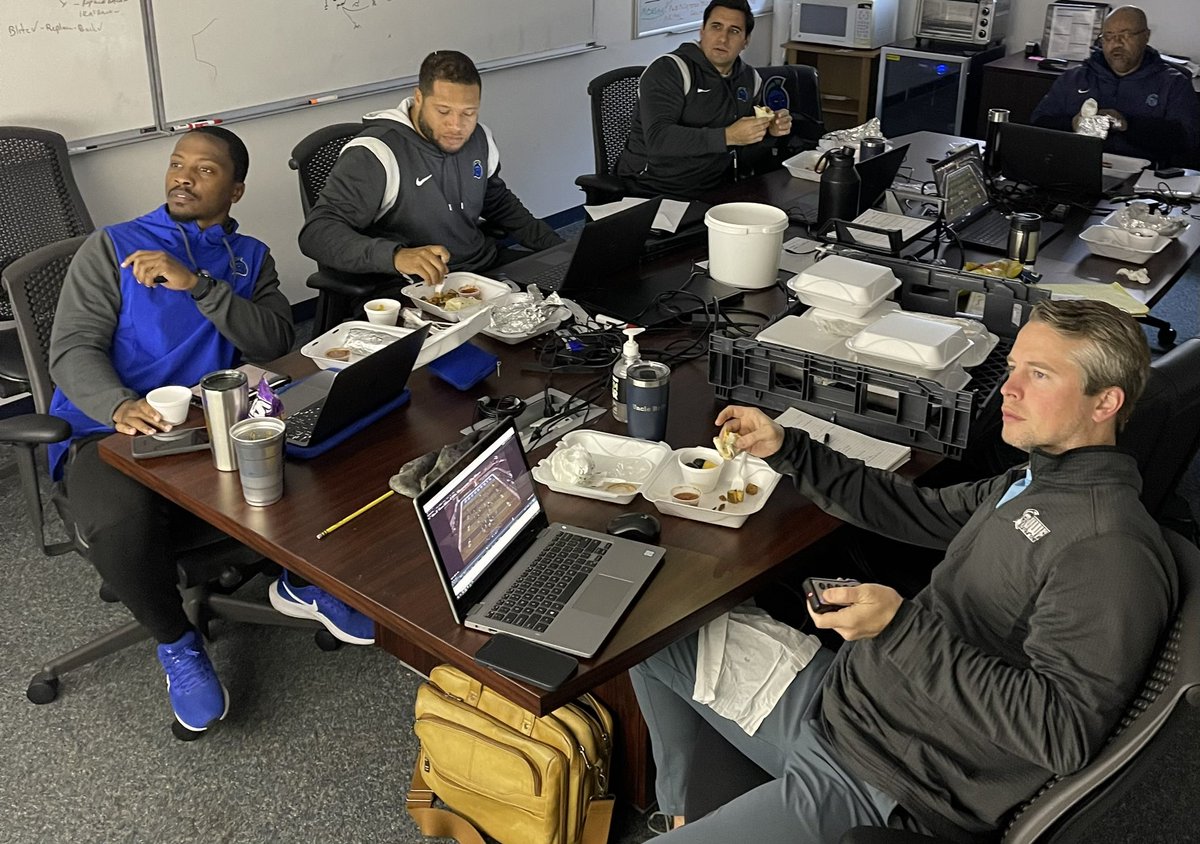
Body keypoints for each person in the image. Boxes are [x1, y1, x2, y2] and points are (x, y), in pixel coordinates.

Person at [630, 299, 1178, 842]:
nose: (1009, 390)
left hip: (884, 780)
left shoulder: (1108, 551)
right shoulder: (1038, 478)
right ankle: (686, 814)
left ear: (1105, 402)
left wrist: (899, 629)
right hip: (845, 700)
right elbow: (921, 512)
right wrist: (790, 449)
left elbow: (1061, 732)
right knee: (650, 630)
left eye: (1039, 374)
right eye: (1013, 368)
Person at [48, 127, 376, 736]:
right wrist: (118, 406)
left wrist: (199, 287)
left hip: (219, 420)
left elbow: (279, 342)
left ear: (237, 189)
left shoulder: (248, 256)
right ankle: (176, 642)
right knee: (121, 516)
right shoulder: (114, 245)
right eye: (177, 165)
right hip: (112, 429)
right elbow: (71, 350)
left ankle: (300, 581)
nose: (183, 177)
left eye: (204, 170)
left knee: (331, 451)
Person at [298, 50, 563, 291]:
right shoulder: (376, 153)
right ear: (419, 98)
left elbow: (498, 203)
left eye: (468, 113)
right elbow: (317, 233)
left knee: (574, 292)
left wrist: (560, 248)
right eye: (443, 111)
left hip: (483, 268)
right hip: (418, 285)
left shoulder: (481, 139)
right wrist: (396, 256)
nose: (456, 126)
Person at [615, 0, 792, 198]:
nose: (722, 39)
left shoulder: (750, 79)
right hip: (656, 189)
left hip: (718, 188)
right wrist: (727, 136)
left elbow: (744, 156)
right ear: (702, 31)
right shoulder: (668, 70)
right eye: (716, 27)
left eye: (734, 31)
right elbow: (658, 139)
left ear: (746, 40)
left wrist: (769, 133)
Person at [1030, 5, 1199, 166]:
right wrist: (1073, 124)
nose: (1116, 44)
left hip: (1144, 179)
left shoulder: (1173, 83)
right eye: (1108, 37)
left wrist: (1127, 125)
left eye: (1126, 35)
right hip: (1078, 169)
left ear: (1146, 36)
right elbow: (1038, 124)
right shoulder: (1075, 78)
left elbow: (1187, 141)